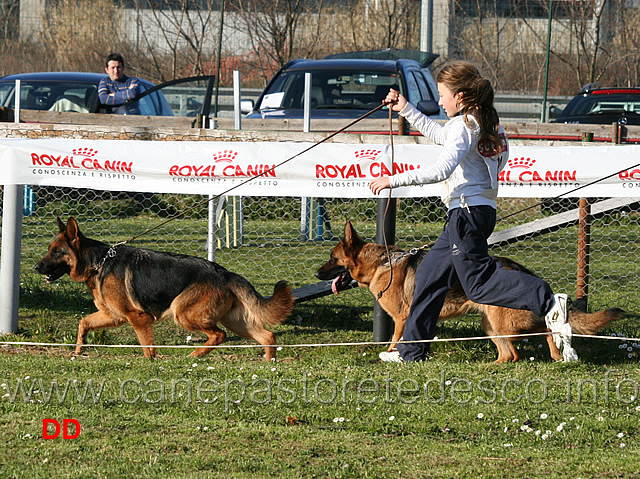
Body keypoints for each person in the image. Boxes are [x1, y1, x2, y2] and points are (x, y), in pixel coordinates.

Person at [369, 61, 577, 363]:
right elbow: (443, 136)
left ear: (462, 96)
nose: (439, 101)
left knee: (477, 283)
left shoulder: (466, 125)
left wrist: (394, 180)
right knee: (429, 276)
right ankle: (411, 351)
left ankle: (547, 300)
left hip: (466, 214)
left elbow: (442, 168)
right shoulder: (484, 123)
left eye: (443, 95)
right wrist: (405, 108)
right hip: (474, 212)